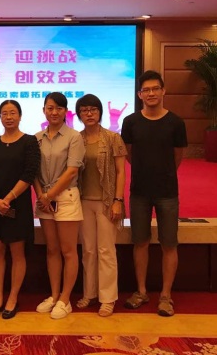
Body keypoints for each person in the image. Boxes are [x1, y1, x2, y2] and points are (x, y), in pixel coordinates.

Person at [121, 70, 187, 317]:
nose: (151, 93)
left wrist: (163, 173)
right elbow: (129, 153)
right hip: (139, 191)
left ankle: (166, 296)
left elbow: (177, 156)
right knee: (140, 242)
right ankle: (141, 291)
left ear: (163, 91)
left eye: (155, 88)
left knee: (169, 243)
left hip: (167, 192)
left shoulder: (176, 123)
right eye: (146, 90)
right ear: (139, 94)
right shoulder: (130, 122)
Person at [0, 100, 40, 320]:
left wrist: (7, 199)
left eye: (13, 113)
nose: (9, 117)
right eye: (4, 113)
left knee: (17, 252)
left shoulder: (29, 142)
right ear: (0, 117)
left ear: (20, 116)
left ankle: (13, 297)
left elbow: (29, 173)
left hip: (17, 204)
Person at [33, 92, 85, 320]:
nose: (54, 112)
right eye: (50, 108)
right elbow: (33, 172)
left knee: (68, 250)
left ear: (66, 111)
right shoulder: (36, 138)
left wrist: (50, 195)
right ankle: (54, 295)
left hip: (66, 197)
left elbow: (72, 171)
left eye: (59, 108)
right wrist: (41, 195)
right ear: (44, 110)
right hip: (44, 198)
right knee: (52, 249)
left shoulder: (74, 137)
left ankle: (65, 299)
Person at [76, 93, 127, 317]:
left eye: (93, 109)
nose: (89, 114)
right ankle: (90, 293)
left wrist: (118, 200)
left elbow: (121, 172)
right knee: (88, 250)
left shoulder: (113, 138)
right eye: (84, 110)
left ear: (100, 112)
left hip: (106, 202)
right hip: (82, 201)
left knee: (106, 250)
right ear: (79, 114)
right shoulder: (76, 139)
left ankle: (108, 298)